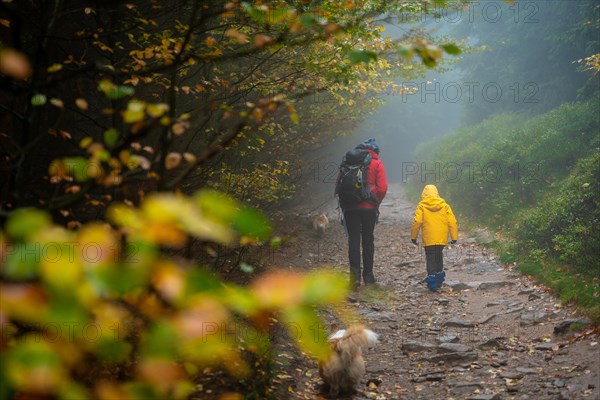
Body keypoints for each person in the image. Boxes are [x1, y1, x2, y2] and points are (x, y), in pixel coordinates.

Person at [336, 138, 387, 290]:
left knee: (353, 241)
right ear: (375, 151)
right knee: (367, 241)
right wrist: (375, 201)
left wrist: (347, 202)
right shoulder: (377, 163)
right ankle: (368, 278)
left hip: (350, 208)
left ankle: (354, 280)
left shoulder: (348, 162)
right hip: (368, 208)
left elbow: (338, 185)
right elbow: (382, 188)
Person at [410, 184, 458, 292]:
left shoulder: (422, 206)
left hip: (429, 238)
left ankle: (432, 282)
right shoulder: (445, 205)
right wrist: (454, 237)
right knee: (438, 256)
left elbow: (417, 222)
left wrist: (414, 237)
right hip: (441, 238)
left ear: (424, 194)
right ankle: (439, 278)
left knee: (430, 258)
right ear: (437, 193)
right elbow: (452, 222)